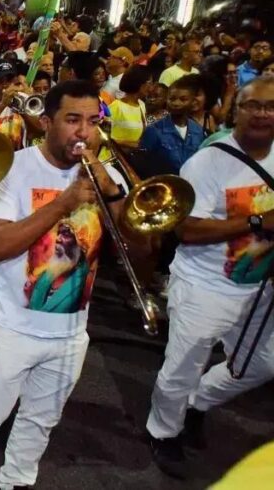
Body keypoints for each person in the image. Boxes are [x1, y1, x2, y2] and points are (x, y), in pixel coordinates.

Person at [0, 80, 140, 490]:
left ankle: (17, 478)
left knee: (42, 419)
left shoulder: (106, 175)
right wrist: (63, 204)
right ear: (46, 122)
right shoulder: (10, 169)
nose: (84, 132)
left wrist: (113, 193)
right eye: (72, 120)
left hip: (71, 330)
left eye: (93, 122)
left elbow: (138, 248)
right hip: (13, 326)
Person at [146, 76, 274, 479]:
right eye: (252, 105)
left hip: (261, 286)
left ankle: (196, 403)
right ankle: (163, 431)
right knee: (182, 366)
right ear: (235, 111)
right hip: (205, 284)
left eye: (271, 106)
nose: (262, 114)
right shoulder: (207, 162)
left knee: (264, 364)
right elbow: (187, 230)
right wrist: (256, 221)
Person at [139, 75, 206, 174]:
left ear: (192, 102)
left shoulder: (198, 131)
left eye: (183, 99)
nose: (176, 103)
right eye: (172, 99)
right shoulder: (154, 130)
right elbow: (142, 165)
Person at [108, 65, 152, 148]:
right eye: (149, 83)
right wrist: (127, 143)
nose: (151, 88)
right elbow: (100, 133)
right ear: (140, 84)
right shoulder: (116, 106)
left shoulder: (141, 104)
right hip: (114, 154)